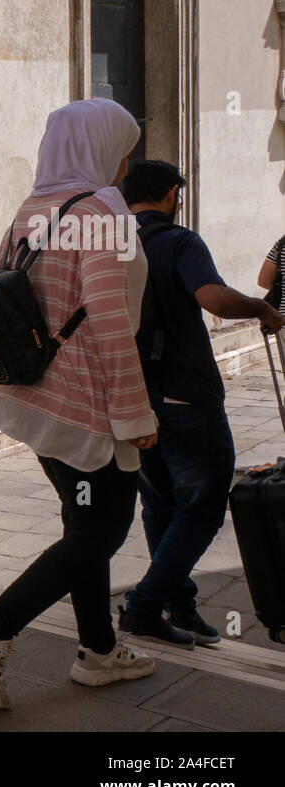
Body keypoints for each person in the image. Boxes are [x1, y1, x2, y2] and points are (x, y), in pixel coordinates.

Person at [0, 99, 159, 710]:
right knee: (104, 529)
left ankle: (98, 651)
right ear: (102, 148)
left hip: (35, 397)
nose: (126, 161)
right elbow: (110, 320)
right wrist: (136, 417)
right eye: (124, 146)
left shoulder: (33, 207)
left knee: (82, 524)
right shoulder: (102, 212)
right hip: (87, 405)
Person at [115, 161, 285, 647]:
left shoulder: (114, 244)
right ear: (171, 194)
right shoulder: (179, 242)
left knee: (159, 503)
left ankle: (181, 605)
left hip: (134, 397)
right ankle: (146, 605)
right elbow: (213, 298)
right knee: (204, 506)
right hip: (186, 396)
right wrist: (261, 307)